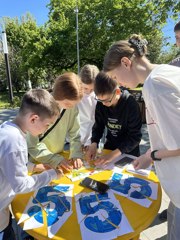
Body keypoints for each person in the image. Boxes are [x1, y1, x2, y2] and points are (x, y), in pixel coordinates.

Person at [103, 34, 180, 240]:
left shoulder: (154, 86)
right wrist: (148, 156)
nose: (120, 84)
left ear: (126, 63)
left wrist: (153, 154)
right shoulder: (168, 71)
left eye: (116, 77)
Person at [0, 89, 63, 240]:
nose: (45, 130)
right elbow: (20, 185)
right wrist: (51, 175)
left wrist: (33, 167)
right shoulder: (16, 142)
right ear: (33, 119)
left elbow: (7, 161)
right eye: (47, 125)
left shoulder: (7, 129)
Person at [27, 72, 84, 172]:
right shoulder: (38, 106)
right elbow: (32, 145)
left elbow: (75, 134)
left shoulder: (71, 106)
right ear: (58, 96)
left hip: (59, 157)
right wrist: (55, 159)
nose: (71, 107)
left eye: (74, 104)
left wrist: (76, 154)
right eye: (68, 104)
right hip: (38, 162)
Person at [86, 71, 142, 166]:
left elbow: (135, 137)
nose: (103, 104)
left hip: (129, 151)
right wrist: (94, 143)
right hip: (110, 147)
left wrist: (113, 155)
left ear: (117, 92)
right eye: (100, 100)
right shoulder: (102, 103)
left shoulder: (131, 104)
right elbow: (98, 126)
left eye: (107, 100)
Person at [78, 64, 99, 148]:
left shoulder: (98, 95)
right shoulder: (76, 96)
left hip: (93, 139)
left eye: (92, 89)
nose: (89, 92)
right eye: (85, 88)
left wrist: (92, 141)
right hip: (77, 140)